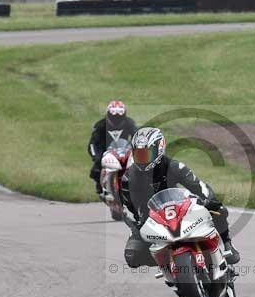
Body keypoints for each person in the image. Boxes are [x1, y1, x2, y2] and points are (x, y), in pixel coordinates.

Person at [119, 127, 240, 268]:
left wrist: (208, 200)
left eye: (147, 154)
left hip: (180, 209)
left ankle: (227, 244)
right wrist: (137, 225)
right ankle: (167, 265)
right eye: (138, 154)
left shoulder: (175, 167)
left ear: (159, 149)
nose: (142, 158)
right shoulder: (129, 177)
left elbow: (199, 187)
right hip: (150, 219)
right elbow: (126, 208)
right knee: (132, 257)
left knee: (218, 209)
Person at [88, 100, 137, 197]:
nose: (117, 119)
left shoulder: (129, 122)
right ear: (108, 114)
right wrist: (96, 157)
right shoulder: (100, 125)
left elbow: (136, 135)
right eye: (114, 117)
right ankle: (100, 187)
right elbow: (93, 144)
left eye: (119, 117)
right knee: (95, 171)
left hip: (124, 150)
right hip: (104, 152)